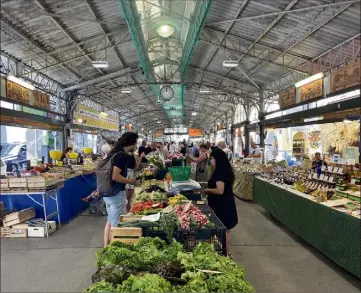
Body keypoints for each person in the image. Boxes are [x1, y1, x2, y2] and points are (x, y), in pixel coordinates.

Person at [98, 132, 139, 246]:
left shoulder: (114, 153)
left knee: (110, 221)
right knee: (115, 224)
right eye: (135, 142)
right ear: (131, 143)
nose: (136, 145)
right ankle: (113, 249)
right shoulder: (122, 156)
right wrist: (131, 181)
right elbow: (115, 176)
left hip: (108, 192)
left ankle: (106, 246)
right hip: (116, 193)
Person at [204, 149, 238, 258]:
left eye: (212, 159)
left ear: (217, 159)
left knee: (224, 229)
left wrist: (208, 190)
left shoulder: (219, 173)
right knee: (227, 230)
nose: (211, 162)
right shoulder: (226, 170)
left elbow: (220, 190)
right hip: (227, 203)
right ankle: (228, 253)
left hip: (222, 206)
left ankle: (225, 253)